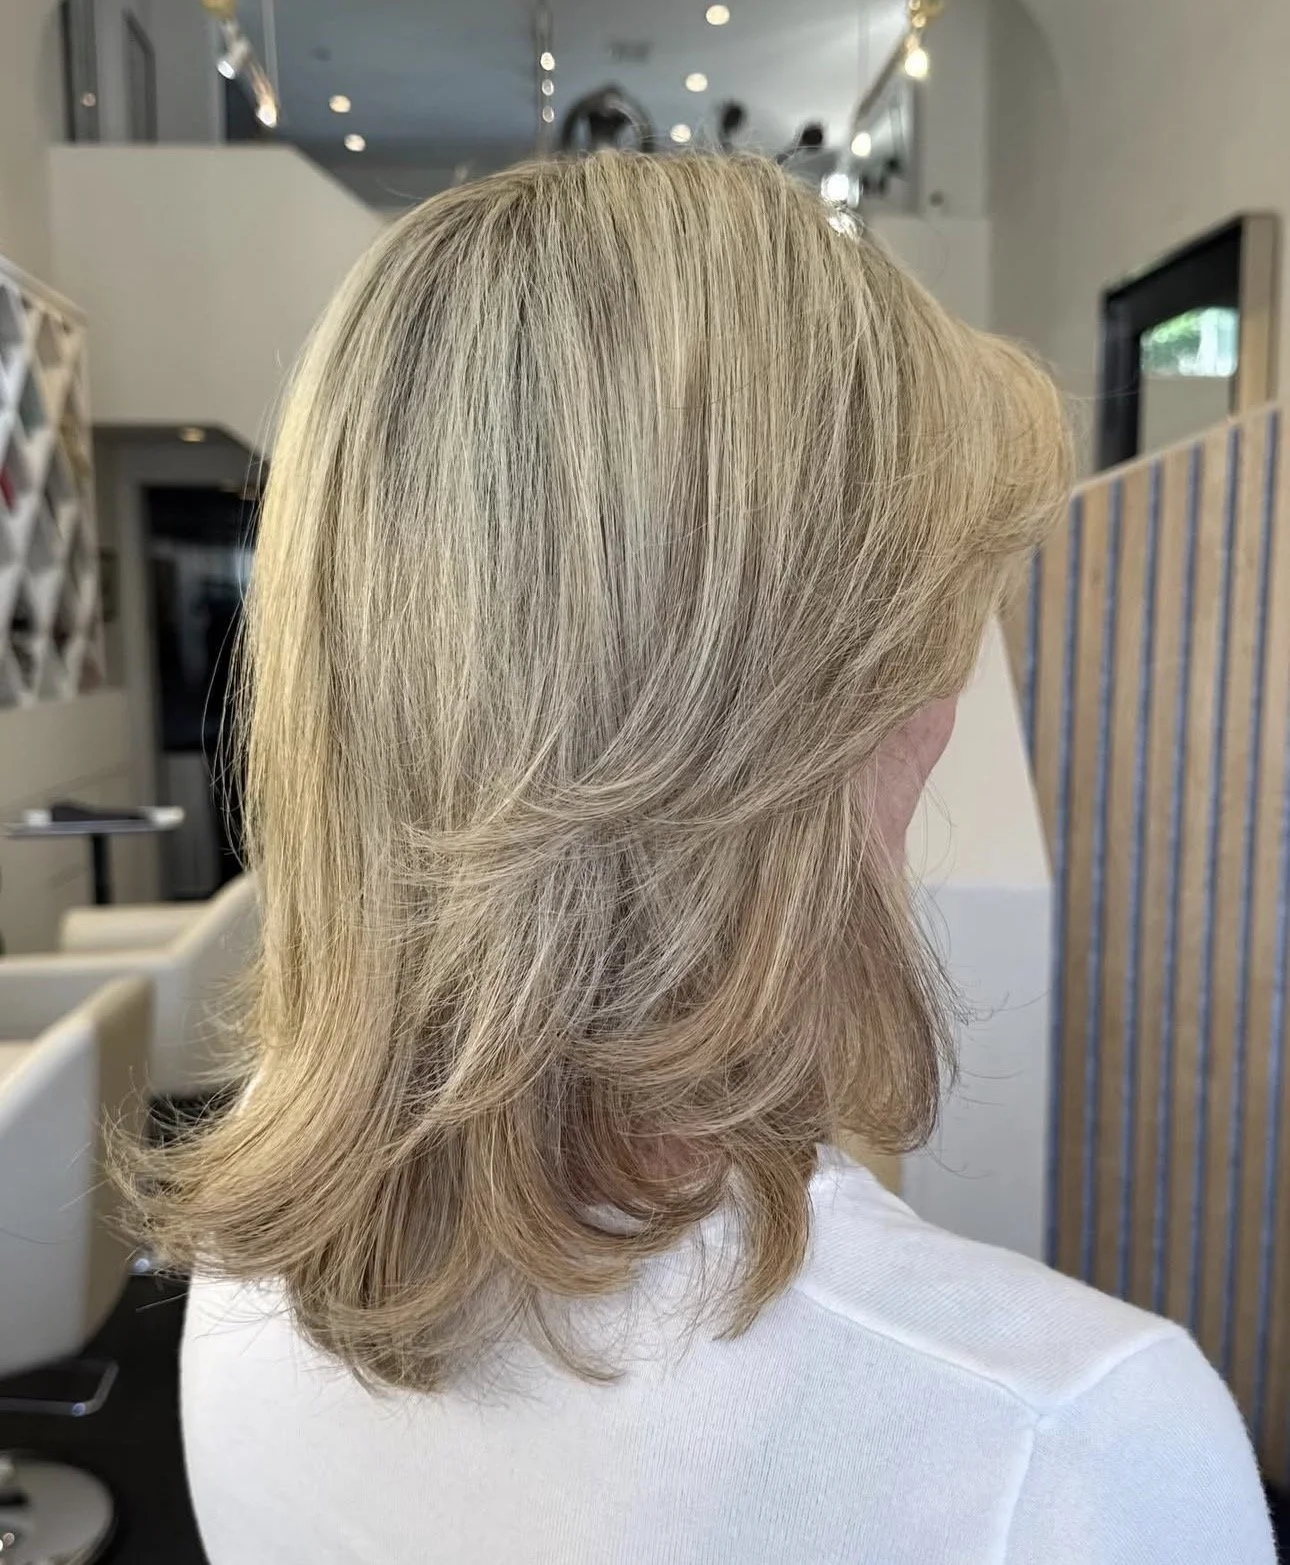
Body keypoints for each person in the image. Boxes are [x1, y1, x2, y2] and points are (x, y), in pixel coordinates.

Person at [133, 153, 1274, 1562]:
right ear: (792, 735)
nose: (942, 719)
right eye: (938, 649)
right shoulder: (1063, 1445)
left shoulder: (242, 1270)